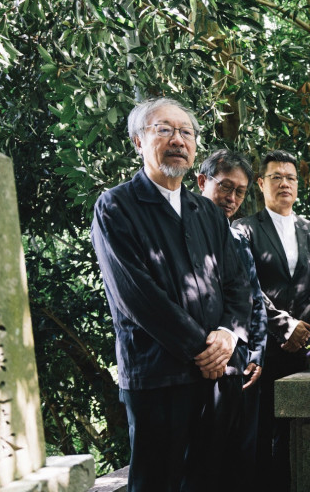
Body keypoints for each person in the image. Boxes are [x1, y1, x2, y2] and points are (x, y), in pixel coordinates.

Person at [91, 97, 253, 491]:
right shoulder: (116, 206)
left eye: (186, 132)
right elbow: (138, 296)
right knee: (157, 483)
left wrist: (229, 334)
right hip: (157, 377)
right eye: (164, 129)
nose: (178, 139)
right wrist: (204, 348)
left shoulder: (208, 212)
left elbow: (236, 284)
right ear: (137, 141)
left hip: (217, 380)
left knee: (208, 480)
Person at [232, 149, 310, 490]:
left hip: (304, 350)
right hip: (261, 348)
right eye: (276, 177)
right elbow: (247, 284)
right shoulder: (243, 229)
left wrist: (301, 330)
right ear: (261, 184)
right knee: (260, 432)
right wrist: (284, 326)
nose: (284, 183)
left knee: (303, 430)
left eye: (290, 177)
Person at [196, 148, 273, 480]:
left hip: (243, 367)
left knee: (241, 462)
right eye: (225, 186)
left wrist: (257, 350)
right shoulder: (188, 230)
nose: (231, 198)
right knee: (204, 463)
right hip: (205, 364)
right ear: (203, 181)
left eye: (240, 192)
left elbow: (254, 297)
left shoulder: (238, 238)